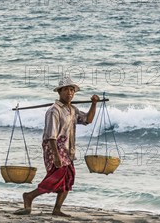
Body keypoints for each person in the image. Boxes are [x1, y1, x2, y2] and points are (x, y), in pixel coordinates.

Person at [17, 77, 99, 217]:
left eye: (72, 90)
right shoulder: (53, 111)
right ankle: (29, 196)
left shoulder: (72, 109)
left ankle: (56, 209)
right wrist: (56, 156)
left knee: (68, 179)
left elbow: (88, 120)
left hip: (68, 149)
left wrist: (94, 104)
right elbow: (50, 136)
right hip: (54, 147)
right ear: (60, 92)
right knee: (56, 176)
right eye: (66, 89)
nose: (70, 92)